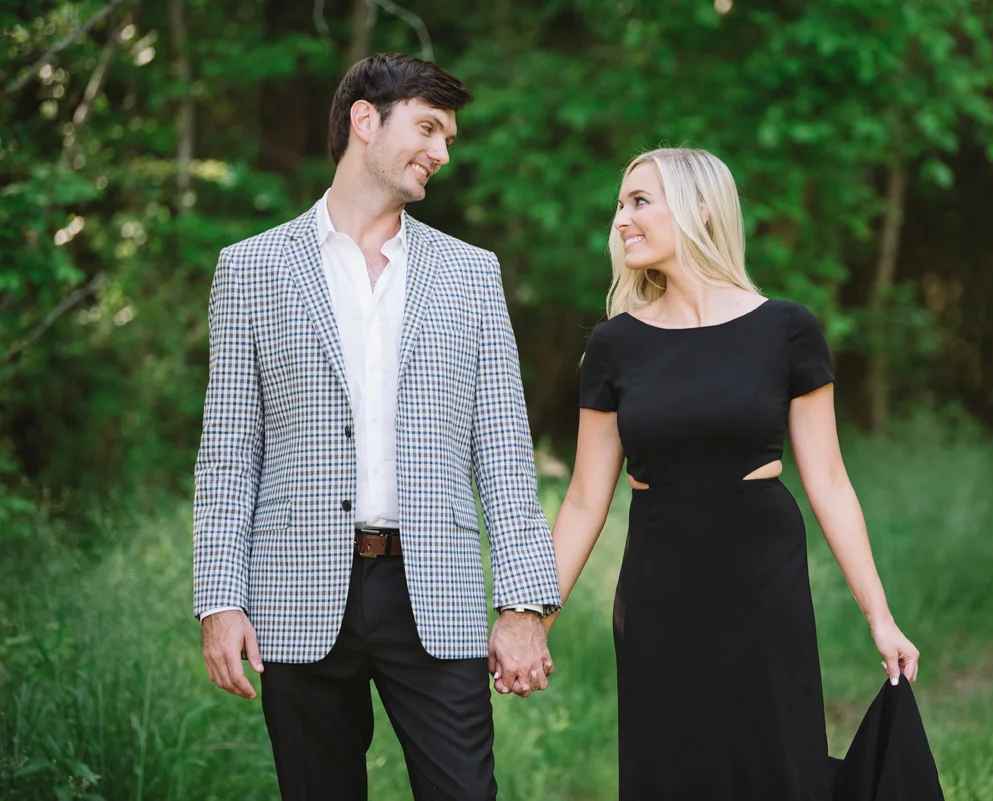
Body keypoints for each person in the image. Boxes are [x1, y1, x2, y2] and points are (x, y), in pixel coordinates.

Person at [192, 53, 561, 801]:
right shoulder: (250, 269)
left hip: (435, 588)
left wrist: (523, 607)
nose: (442, 152)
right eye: (428, 128)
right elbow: (229, 452)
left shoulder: (471, 274)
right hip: (294, 589)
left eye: (448, 137)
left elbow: (503, 451)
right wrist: (219, 598)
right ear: (366, 120)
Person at [544, 148, 922, 799]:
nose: (621, 220)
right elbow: (582, 501)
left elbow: (830, 482)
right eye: (620, 205)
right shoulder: (614, 344)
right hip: (660, 592)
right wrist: (533, 619)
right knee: (672, 772)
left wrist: (879, 616)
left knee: (775, 767)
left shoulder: (787, 330)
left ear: (699, 210)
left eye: (640, 201)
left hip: (762, 586)